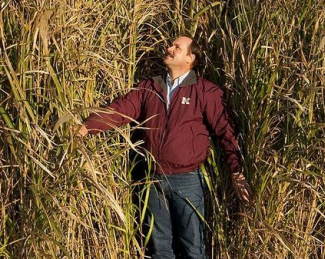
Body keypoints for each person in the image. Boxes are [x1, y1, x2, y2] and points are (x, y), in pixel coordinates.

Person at [74, 36, 251, 258]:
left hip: (188, 180)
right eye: (170, 45)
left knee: (193, 247)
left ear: (190, 58)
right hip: (153, 179)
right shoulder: (150, 87)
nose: (169, 49)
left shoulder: (205, 91)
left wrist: (236, 171)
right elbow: (120, 110)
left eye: (177, 47)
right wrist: (86, 127)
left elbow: (226, 131)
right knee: (158, 247)